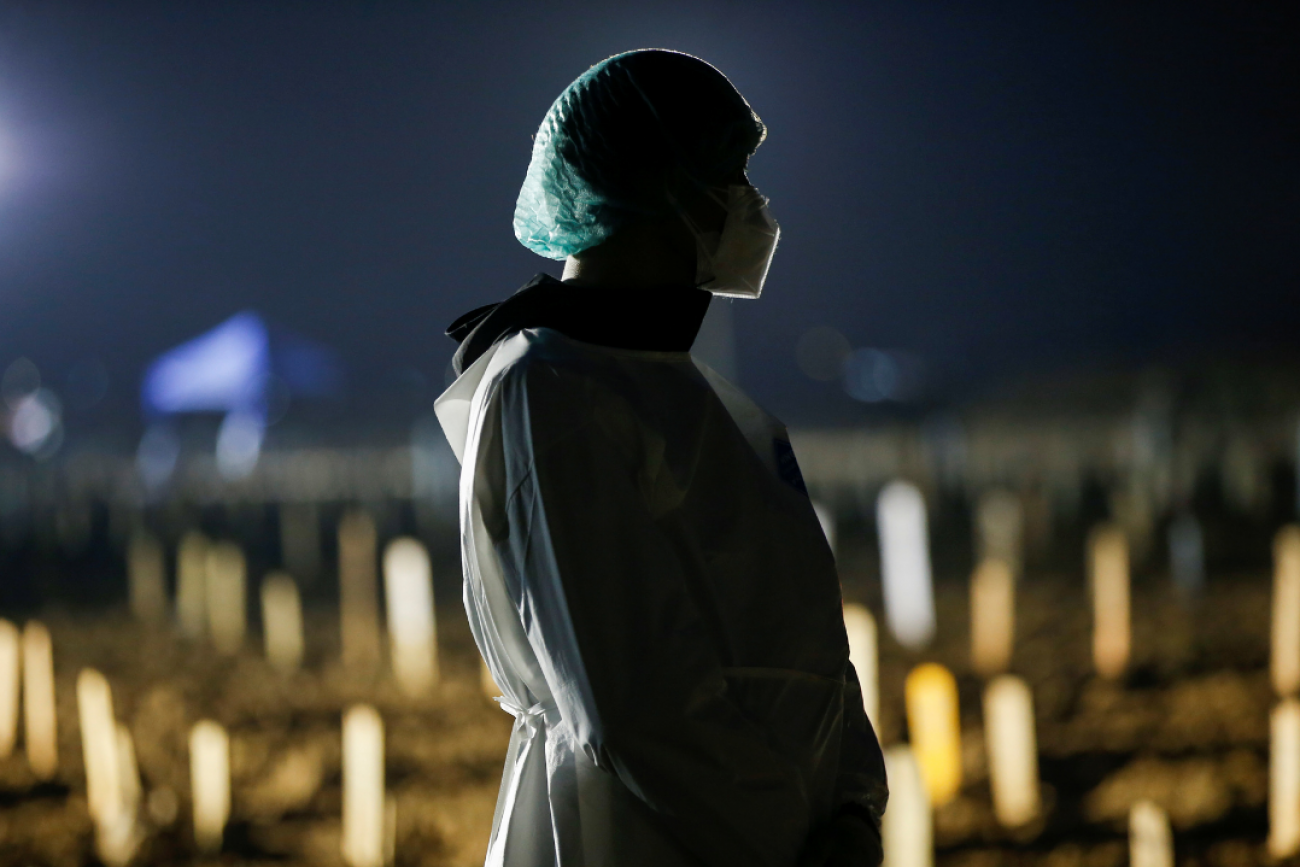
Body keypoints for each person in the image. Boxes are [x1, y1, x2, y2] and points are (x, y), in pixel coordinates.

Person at [435, 49, 886, 867]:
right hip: (645, 840)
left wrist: (853, 807)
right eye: (728, 174)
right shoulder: (551, 389)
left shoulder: (712, 406)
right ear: (650, 187)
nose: (752, 204)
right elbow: (630, 703)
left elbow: (809, 648)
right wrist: (792, 841)